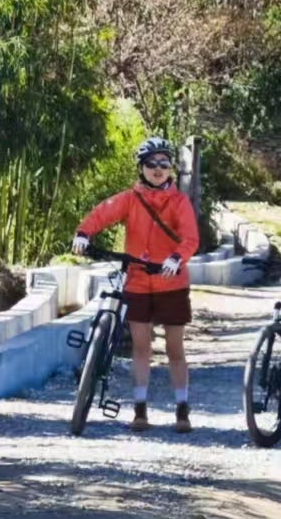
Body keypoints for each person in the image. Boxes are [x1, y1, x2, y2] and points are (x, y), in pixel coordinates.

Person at [72, 137, 200, 432]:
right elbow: (103, 212)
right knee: (141, 347)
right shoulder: (130, 198)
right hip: (139, 279)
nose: (158, 169)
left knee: (174, 347)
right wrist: (83, 233)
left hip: (172, 281)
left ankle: (182, 408)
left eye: (164, 164)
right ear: (141, 168)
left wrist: (177, 258)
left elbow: (191, 237)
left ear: (171, 169)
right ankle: (140, 409)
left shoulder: (179, 201)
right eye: (151, 164)